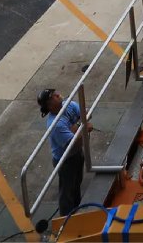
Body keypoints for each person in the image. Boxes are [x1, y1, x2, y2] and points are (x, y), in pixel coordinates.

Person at [37, 88, 88, 217]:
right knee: (66, 192)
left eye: (54, 92)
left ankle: (76, 211)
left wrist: (77, 128)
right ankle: (65, 220)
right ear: (49, 105)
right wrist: (84, 127)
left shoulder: (68, 104)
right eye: (52, 96)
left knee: (77, 183)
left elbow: (86, 114)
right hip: (65, 161)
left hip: (77, 154)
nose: (57, 94)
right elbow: (74, 143)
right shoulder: (56, 124)